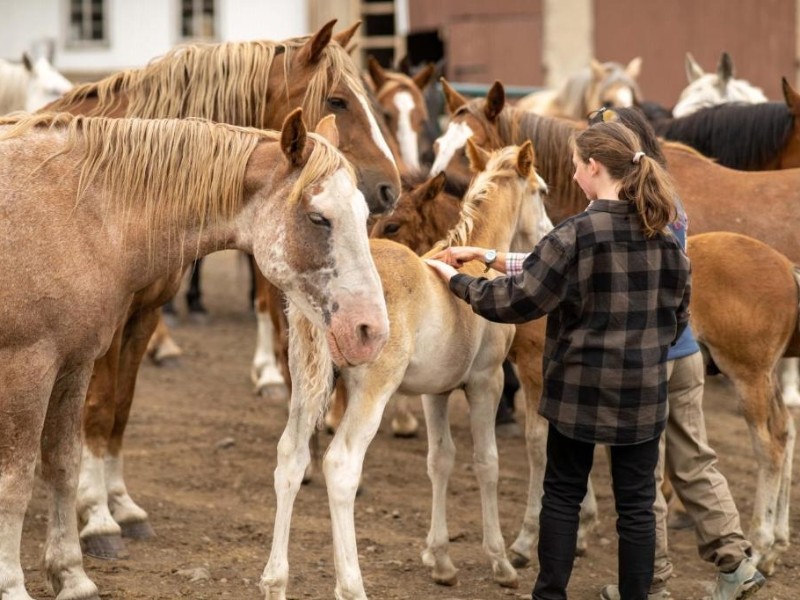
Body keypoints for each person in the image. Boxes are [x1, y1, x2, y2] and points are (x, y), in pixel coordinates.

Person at [426, 121, 691, 600]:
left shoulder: (576, 234)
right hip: (643, 396)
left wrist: (457, 281)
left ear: (593, 168)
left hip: (577, 393)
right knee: (636, 506)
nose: (571, 174)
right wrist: (485, 254)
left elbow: (519, 301)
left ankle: (550, 595)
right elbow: (676, 320)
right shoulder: (666, 239)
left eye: (574, 165)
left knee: (563, 496)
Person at [590, 108, 765, 600]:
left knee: (643, 474)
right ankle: (736, 563)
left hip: (643, 357)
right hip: (684, 350)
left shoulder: (615, 206)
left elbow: (568, 261)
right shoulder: (668, 196)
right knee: (695, 462)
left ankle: (652, 580)